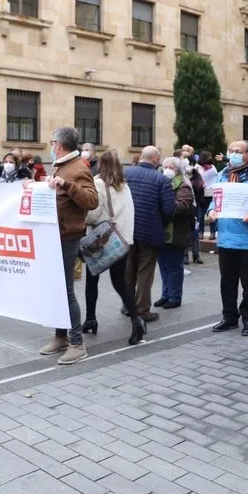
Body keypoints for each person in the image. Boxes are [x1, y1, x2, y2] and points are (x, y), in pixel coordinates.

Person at [39, 127, 98, 365]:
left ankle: (77, 343)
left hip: (67, 236)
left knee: (66, 290)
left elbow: (92, 200)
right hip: (57, 234)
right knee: (57, 289)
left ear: (60, 144)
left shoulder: (77, 167)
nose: (51, 146)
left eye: (52, 142)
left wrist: (66, 185)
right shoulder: (63, 165)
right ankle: (61, 336)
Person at [207, 140, 248, 336]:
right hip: (225, 238)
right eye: (231, 150)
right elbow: (215, 201)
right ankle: (229, 317)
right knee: (227, 282)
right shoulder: (223, 175)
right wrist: (211, 211)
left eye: (238, 151)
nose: (233, 154)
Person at [82, 150, 146, 345]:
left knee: (92, 280)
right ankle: (136, 317)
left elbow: (93, 214)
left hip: (101, 241)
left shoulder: (98, 183)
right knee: (120, 282)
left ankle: (91, 319)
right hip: (122, 241)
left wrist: (82, 216)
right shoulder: (124, 185)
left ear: (100, 165)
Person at [125, 146, 175, 322]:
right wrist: (162, 223)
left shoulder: (126, 173)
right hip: (150, 230)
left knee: (129, 269)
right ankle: (142, 309)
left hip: (128, 229)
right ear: (156, 159)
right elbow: (169, 209)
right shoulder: (161, 179)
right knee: (145, 271)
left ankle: (127, 305)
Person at [155, 157, 195, 309]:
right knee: (163, 265)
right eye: (165, 166)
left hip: (176, 232)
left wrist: (162, 204)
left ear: (177, 170)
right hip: (162, 232)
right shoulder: (162, 183)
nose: (167, 170)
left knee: (174, 267)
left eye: (171, 167)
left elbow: (182, 206)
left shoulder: (183, 186)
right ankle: (165, 295)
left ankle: (175, 297)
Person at [198, 151, 219, 240]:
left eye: (207, 165)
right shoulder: (197, 168)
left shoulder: (213, 169)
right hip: (201, 195)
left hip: (211, 194)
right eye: (204, 165)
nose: (205, 167)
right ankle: (200, 232)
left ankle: (213, 232)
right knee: (200, 216)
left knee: (211, 214)